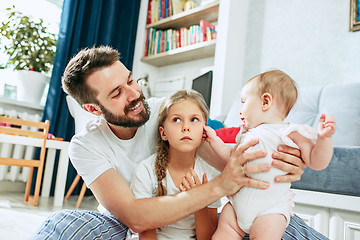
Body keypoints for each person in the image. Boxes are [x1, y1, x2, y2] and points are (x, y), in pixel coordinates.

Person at [31, 46, 326, 240]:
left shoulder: (169, 112)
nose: (134, 93)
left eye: (131, 80)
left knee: (270, 224)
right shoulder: (85, 146)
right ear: (93, 109)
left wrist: (281, 162)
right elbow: (134, 216)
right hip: (123, 227)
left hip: (197, 221)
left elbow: (231, 161)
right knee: (60, 226)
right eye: (116, 93)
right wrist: (220, 185)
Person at [200, 70, 336, 239]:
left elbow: (317, 162)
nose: (240, 110)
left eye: (244, 102)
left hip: (269, 212)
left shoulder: (289, 132)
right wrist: (214, 140)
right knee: (223, 233)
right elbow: (230, 157)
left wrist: (324, 139)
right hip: (236, 207)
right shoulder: (245, 134)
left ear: (265, 101)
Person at [127, 89, 220, 240]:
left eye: (194, 119)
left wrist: (199, 201)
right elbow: (145, 232)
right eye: (176, 120)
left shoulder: (210, 173)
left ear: (205, 130)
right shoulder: (146, 171)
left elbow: (207, 237)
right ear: (163, 133)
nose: (185, 127)